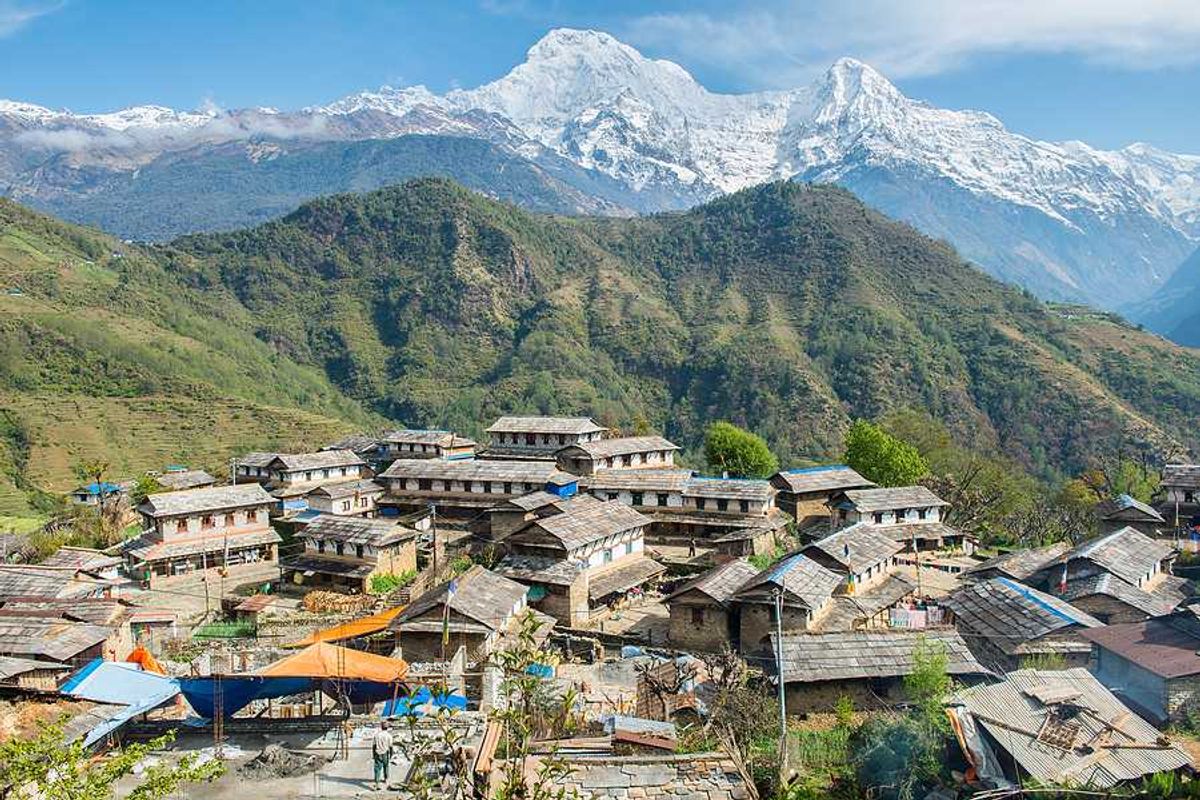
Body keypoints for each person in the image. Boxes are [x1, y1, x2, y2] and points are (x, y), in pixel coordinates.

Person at [371, 719, 394, 791]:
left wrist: (373, 754)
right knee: (386, 766)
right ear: (387, 727)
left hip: (378, 752)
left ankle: (377, 783)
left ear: (381, 727)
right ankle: (386, 779)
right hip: (385, 753)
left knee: (377, 768)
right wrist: (391, 754)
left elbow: (374, 746)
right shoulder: (389, 736)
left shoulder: (377, 735)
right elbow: (390, 746)